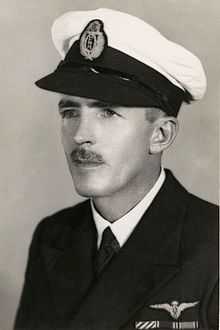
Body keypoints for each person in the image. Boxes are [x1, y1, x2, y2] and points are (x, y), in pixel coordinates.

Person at [14, 8, 218, 330]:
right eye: (70, 112)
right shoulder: (53, 238)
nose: (80, 135)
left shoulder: (212, 243)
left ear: (160, 135)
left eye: (107, 112)